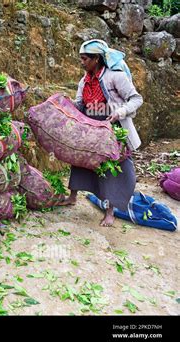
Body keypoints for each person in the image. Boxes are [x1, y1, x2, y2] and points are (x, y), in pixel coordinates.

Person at [59, 39, 143, 227]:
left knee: (110, 168)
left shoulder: (115, 76)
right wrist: (64, 105)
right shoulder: (85, 79)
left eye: (84, 59)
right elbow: (80, 103)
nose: (82, 62)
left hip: (111, 127)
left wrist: (119, 112)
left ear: (96, 59)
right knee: (80, 159)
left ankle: (110, 210)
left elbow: (136, 99)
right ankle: (72, 197)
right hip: (90, 126)